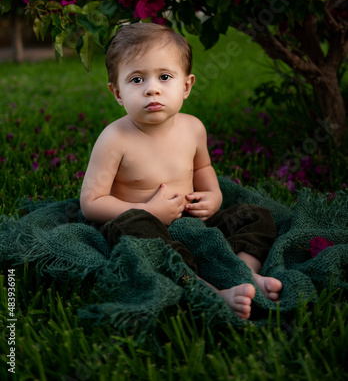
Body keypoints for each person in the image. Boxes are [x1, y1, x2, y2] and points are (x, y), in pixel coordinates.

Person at [80, 23, 282, 320]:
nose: (152, 88)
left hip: (192, 221)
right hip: (146, 226)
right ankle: (207, 290)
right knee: (133, 230)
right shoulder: (115, 138)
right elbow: (91, 203)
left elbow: (203, 167)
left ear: (186, 86)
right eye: (136, 80)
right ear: (117, 93)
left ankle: (245, 272)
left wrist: (212, 196)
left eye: (164, 76)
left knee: (257, 217)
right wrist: (148, 211)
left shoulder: (192, 128)